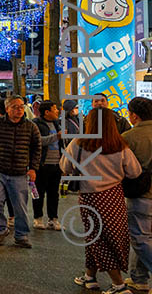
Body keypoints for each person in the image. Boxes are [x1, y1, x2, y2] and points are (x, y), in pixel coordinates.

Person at [61, 106, 141, 289]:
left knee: (97, 238)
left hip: (90, 198)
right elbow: (134, 172)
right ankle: (90, 276)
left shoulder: (78, 143)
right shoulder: (119, 144)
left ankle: (118, 285)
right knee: (106, 237)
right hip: (114, 196)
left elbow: (65, 167)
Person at [0, 95, 41, 248]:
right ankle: (0, 229)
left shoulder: (31, 126)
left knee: (20, 206)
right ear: (7, 109)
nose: (19, 110)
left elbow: (37, 148)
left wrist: (33, 168)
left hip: (20, 171)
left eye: (21, 107)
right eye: (15, 107)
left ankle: (21, 235)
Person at [121, 96, 152, 292]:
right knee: (146, 238)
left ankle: (140, 277)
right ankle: (139, 278)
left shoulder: (129, 137)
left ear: (134, 115)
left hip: (141, 193)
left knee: (140, 239)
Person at [32, 100, 64, 230]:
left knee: (54, 193)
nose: (57, 111)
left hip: (56, 164)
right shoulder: (36, 124)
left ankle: (53, 218)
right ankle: (38, 218)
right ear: (47, 112)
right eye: (55, 109)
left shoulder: (57, 123)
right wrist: (56, 137)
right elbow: (38, 141)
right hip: (42, 164)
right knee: (38, 192)